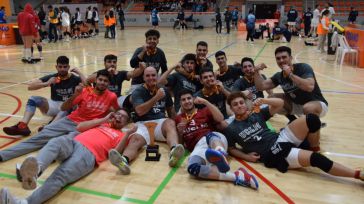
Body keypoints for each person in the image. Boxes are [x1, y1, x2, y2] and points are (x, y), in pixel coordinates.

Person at [0, 109, 137, 204]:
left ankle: (24, 203)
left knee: (59, 177)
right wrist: (104, 118)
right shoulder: (102, 123)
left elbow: (114, 153)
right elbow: (80, 127)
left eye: (123, 117)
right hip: (73, 141)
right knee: (55, 142)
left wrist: (127, 134)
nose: (118, 117)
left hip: (88, 155)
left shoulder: (121, 135)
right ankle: (35, 170)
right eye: (117, 114)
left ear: (126, 122)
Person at [223, 92, 364, 183]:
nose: (239, 106)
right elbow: (231, 148)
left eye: (241, 102)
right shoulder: (231, 128)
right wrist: (246, 157)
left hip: (280, 139)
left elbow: (280, 103)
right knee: (317, 160)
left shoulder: (256, 114)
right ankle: (357, 174)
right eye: (235, 104)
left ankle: (314, 148)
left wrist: (264, 100)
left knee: (312, 119)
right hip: (272, 153)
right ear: (231, 108)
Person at [0, 69, 119, 162]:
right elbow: (63, 108)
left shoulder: (111, 97)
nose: (102, 83)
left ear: (109, 83)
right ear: (96, 80)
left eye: (105, 81)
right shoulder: (85, 91)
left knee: (61, 142)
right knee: (40, 136)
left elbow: (118, 110)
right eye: (100, 80)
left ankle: (42, 161)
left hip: (86, 128)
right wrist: (75, 94)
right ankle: (3, 155)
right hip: (70, 120)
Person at [174, 90, 258, 189]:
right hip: (199, 147)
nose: (187, 101)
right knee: (192, 168)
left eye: (189, 98)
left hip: (215, 139)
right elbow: (180, 145)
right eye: (183, 100)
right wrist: (180, 132)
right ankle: (237, 176)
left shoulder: (204, 110)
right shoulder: (178, 119)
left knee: (210, 136)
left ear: (193, 99)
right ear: (180, 103)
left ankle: (220, 152)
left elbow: (220, 118)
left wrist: (206, 102)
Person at [108, 67, 185, 175]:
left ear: (157, 76)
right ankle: (124, 161)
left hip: (160, 123)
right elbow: (140, 111)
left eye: (153, 75)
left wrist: (180, 124)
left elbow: (171, 112)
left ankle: (174, 152)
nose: (151, 78)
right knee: (135, 140)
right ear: (143, 78)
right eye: (147, 76)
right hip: (143, 123)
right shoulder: (138, 91)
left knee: (170, 123)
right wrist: (156, 98)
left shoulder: (164, 91)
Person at [254, 46, 328, 151]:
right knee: (273, 98)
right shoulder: (279, 76)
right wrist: (256, 72)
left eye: (284, 57)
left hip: (317, 104)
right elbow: (261, 86)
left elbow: (309, 86)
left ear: (291, 58)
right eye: (278, 58)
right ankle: (294, 121)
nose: (281, 60)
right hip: (296, 105)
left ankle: (314, 146)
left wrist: (290, 75)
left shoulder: (303, 67)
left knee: (308, 108)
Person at [3, 56, 85, 136]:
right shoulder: (52, 77)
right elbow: (30, 86)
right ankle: (23, 126)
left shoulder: (75, 78)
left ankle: (48, 128)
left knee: (67, 107)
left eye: (65, 67)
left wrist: (79, 72)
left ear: (68, 67)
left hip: (68, 107)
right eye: (60, 67)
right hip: (54, 105)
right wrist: (46, 83)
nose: (62, 69)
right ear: (56, 67)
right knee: (33, 99)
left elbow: (88, 85)